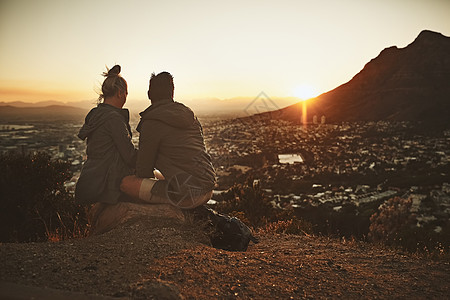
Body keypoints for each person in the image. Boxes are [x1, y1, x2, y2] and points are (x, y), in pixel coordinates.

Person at [120, 71, 216, 209]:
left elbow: (143, 171)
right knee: (159, 176)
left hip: (189, 195)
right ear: (172, 92)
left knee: (125, 183)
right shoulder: (189, 115)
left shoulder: (152, 121)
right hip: (207, 189)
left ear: (149, 94)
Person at [75, 65, 136, 206]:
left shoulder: (96, 115)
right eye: (126, 93)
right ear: (120, 93)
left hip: (90, 182)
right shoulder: (113, 118)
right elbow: (130, 156)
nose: (126, 97)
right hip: (107, 186)